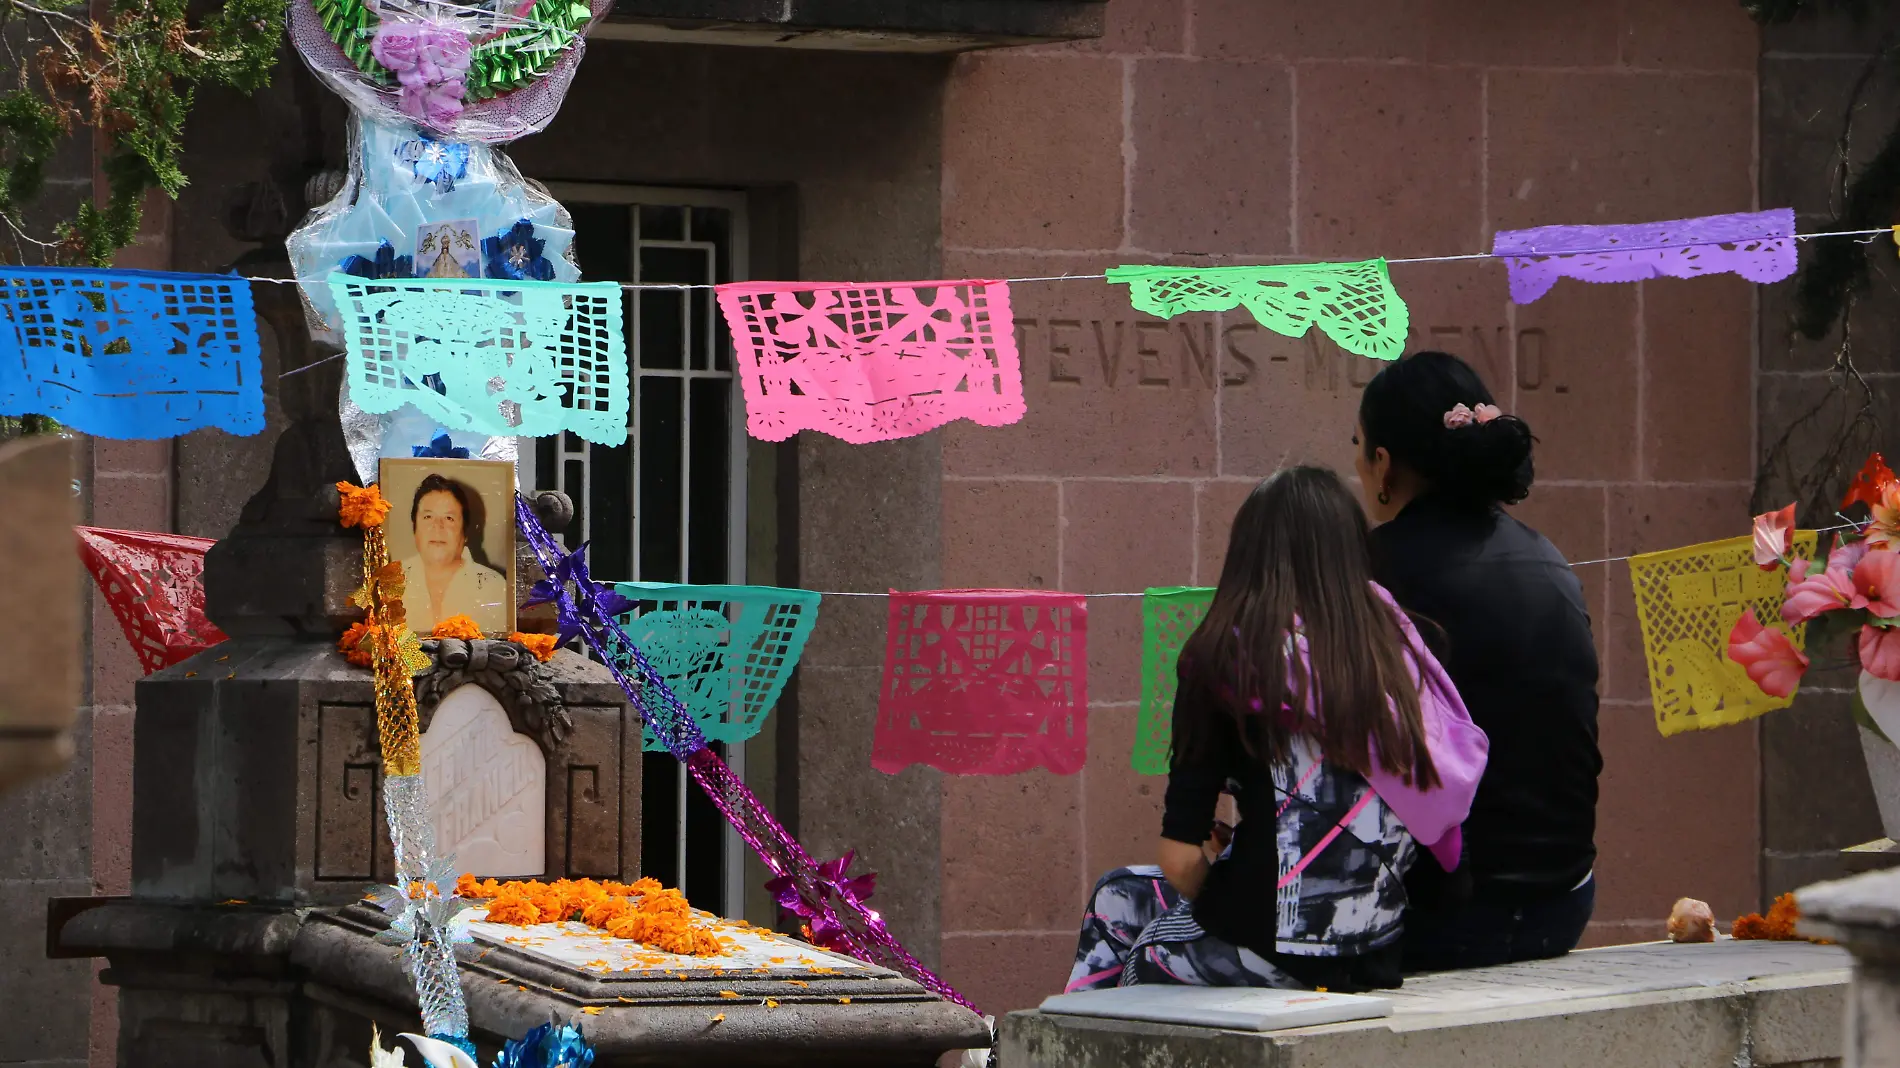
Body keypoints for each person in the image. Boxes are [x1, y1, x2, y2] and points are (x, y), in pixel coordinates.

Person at [1065, 466, 1487, 993]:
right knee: (1119, 891)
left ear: (1247, 557)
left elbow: (1178, 859)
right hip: (1377, 952)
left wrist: (1227, 884)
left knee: (1136, 957)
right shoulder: (1406, 649)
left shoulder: (1226, 659)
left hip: (1270, 951)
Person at [1353, 351, 1602, 971]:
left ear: (1382, 464)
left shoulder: (1367, 571)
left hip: (1439, 918)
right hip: (1562, 901)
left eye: (1359, 447)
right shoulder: (1551, 561)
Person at [400, 472, 510, 634]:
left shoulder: (493, 586)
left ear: (465, 532)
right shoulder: (390, 580)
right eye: (428, 517)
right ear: (414, 526)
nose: (437, 527)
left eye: (449, 518)